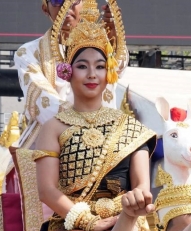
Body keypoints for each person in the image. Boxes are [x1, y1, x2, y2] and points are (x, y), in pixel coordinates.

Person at [30, 0, 153, 231]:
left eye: (100, 66)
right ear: (67, 71)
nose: (92, 74)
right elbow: (46, 190)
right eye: (82, 66)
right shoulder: (54, 127)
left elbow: (142, 189)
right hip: (71, 227)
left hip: (125, 222)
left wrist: (121, 216)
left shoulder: (130, 127)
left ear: (108, 72)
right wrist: (86, 220)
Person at [14, 0, 122, 149]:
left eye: (74, 1)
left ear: (83, 5)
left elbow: (118, 68)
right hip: (48, 143)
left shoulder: (103, 46)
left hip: (103, 140)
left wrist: (115, 41)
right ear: (45, 9)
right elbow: (42, 100)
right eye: (57, 1)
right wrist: (87, 126)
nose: (66, 7)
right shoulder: (28, 53)